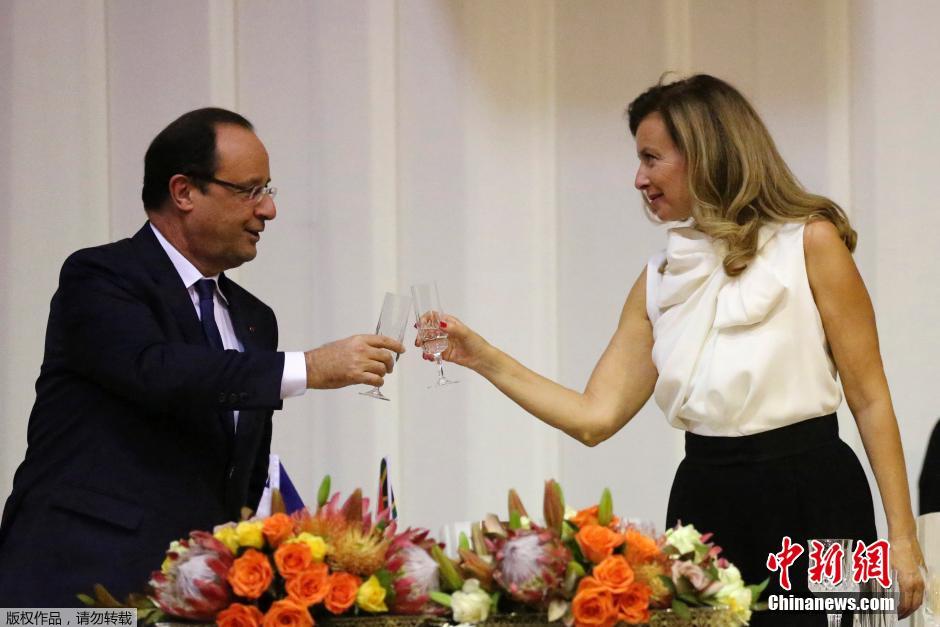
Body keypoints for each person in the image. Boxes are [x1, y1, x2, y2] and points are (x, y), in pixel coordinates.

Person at [423, 75, 925, 624]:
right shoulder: (660, 277)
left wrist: (902, 540)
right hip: (704, 505)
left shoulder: (811, 242)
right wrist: (483, 357)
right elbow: (594, 418)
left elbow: (870, 398)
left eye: (651, 158)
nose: (639, 179)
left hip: (819, 500)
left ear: (705, 153)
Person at [0, 108, 405, 606]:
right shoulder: (101, 276)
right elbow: (157, 371)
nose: (268, 209)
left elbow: (239, 472)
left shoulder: (255, 318)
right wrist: (309, 367)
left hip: (193, 593)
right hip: (78, 581)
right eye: (249, 190)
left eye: (267, 190)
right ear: (184, 192)